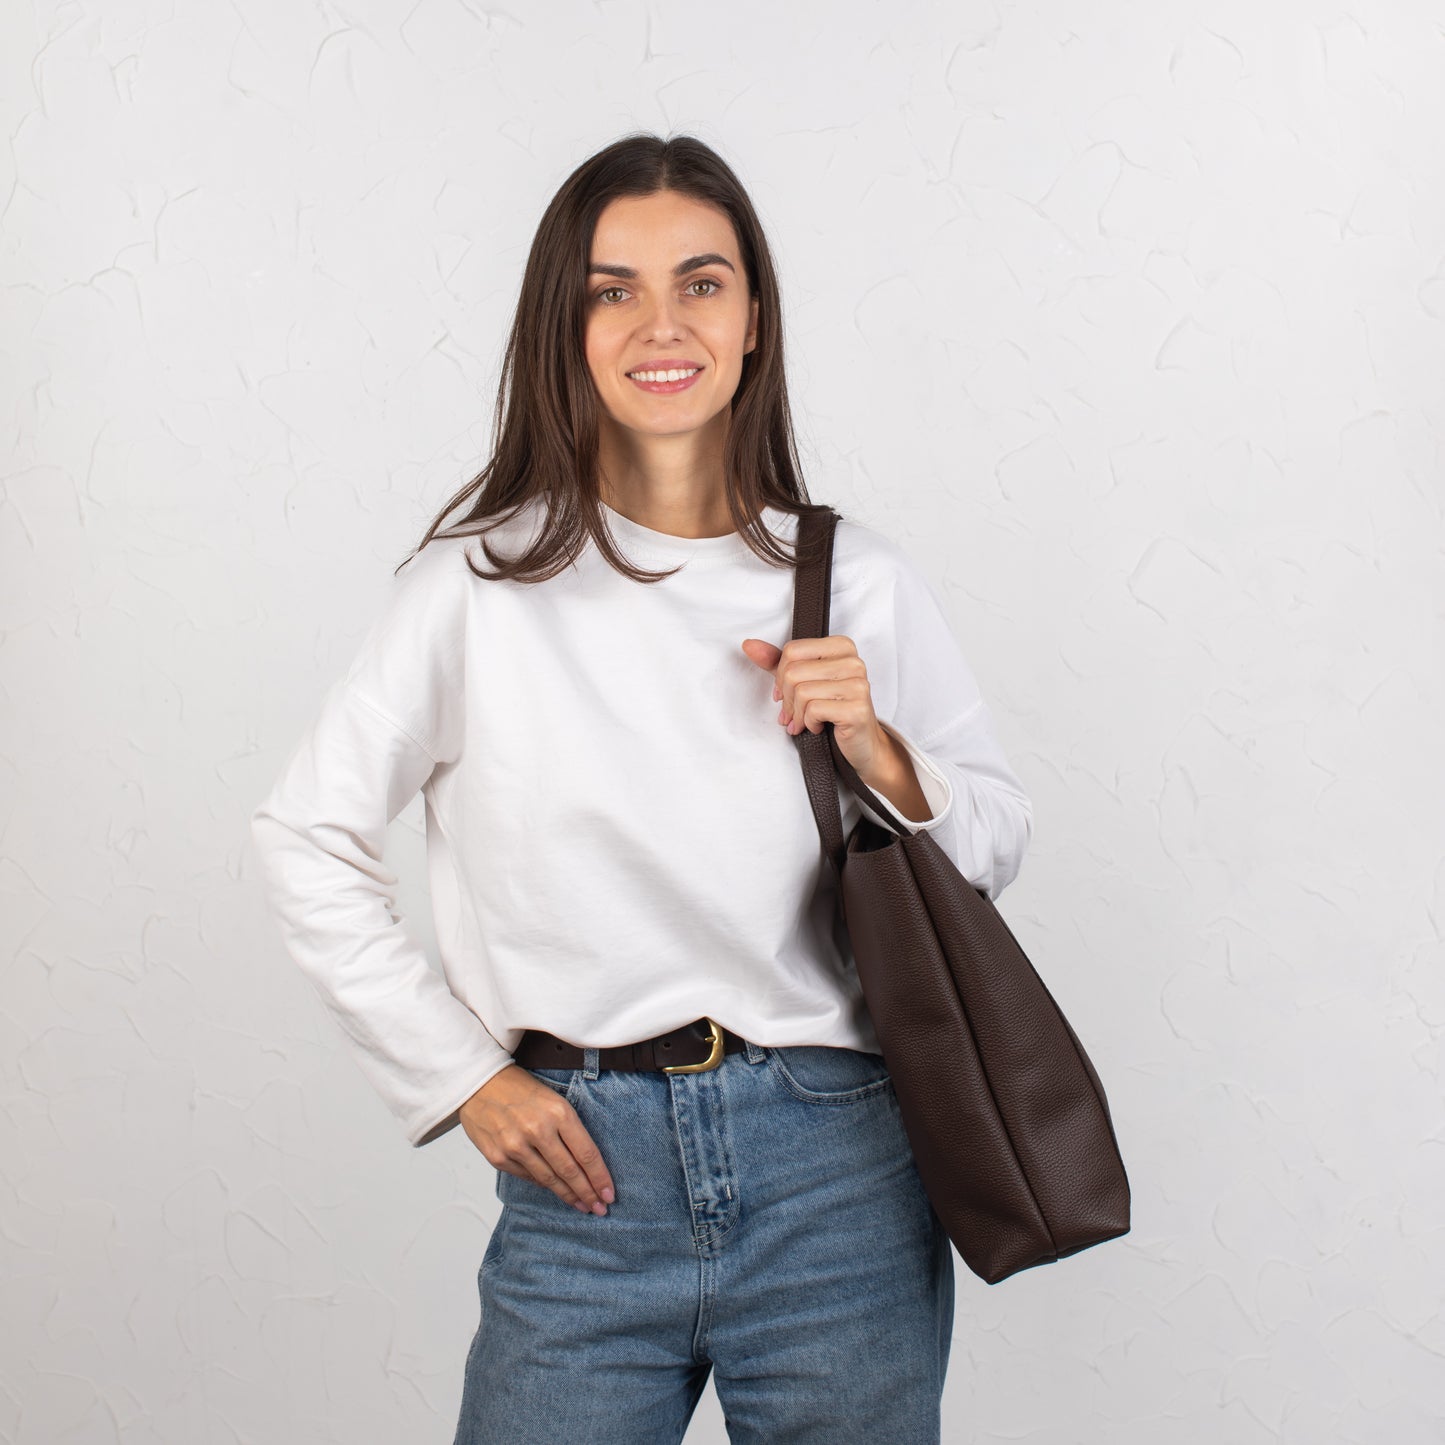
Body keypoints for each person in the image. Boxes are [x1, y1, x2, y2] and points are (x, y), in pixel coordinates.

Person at [249, 132, 1033, 1443]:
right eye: (612, 289)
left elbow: (996, 842)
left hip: (835, 1163)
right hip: (584, 1176)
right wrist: (460, 1077)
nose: (659, 323)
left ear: (752, 318)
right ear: (565, 325)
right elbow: (304, 831)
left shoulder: (856, 582)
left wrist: (882, 751)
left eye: (700, 282)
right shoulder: (476, 588)